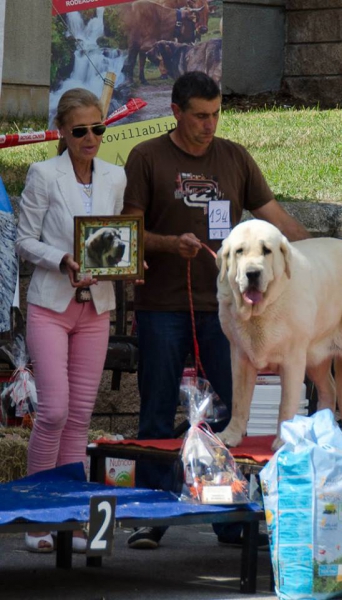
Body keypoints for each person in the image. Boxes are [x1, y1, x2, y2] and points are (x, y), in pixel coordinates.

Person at [122, 71, 311, 550]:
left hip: (229, 311)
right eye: (200, 117)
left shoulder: (234, 157)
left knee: (233, 413)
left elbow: (275, 217)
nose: (209, 125)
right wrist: (169, 243)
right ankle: (152, 514)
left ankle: (230, 519)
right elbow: (127, 232)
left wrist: (323, 251)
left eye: (216, 115)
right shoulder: (146, 157)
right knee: (157, 413)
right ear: (177, 112)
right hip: (163, 305)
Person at [15, 88, 126, 553]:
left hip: (96, 306)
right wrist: (62, 259)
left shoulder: (115, 177)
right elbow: (23, 240)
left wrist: (124, 260)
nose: (90, 137)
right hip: (51, 305)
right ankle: (36, 517)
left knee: (80, 416)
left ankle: (74, 517)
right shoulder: (43, 174)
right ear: (62, 131)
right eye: (80, 130)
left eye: (98, 128)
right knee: (55, 411)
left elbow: (116, 239)